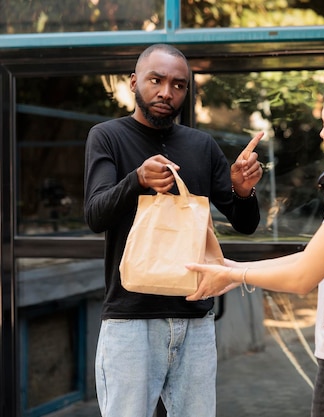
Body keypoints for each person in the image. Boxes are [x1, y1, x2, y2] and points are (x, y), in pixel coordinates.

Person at [186, 75, 324, 417]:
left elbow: (303, 277)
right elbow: (314, 259)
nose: (320, 133)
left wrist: (238, 275)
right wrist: (229, 270)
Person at [84, 43, 263, 417]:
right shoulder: (107, 137)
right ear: (134, 82)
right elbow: (95, 214)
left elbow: (245, 225)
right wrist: (137, 179)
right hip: (130, 319)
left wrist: (243, 192)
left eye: (178, 85)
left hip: (195, 320)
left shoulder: (202, 146)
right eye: (156, 80)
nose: (167, 92)